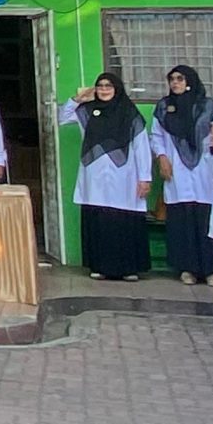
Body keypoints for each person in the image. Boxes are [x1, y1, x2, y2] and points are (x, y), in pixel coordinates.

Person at [63, 73, 151, 280]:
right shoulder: (86, 111)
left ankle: (129, 269)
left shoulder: (129, 113)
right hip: (94, 177)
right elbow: (61, 117)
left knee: (123, 220)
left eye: (108, 86)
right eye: (100, 86)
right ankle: (100, 266)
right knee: (99, 220)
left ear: (117, 88)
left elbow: (142, 147)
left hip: (125, 176)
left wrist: (145, 178)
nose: (103, 90)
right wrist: (77, 99)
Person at [152, 65, 213, 285]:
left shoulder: (208, 106)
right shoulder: (164, 107)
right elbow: (157, 136)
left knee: (206, 218)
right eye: (172, 79)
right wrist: (162, 158)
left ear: (190, 81)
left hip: (205, 169)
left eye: (180, 79)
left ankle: (211, 270)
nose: (175, 83)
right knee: (181, 220)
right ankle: (186, 269)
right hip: (176, 170)